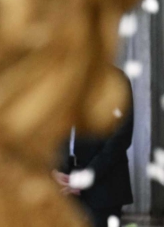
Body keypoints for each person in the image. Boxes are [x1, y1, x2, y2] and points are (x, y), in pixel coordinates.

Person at [54, 68, 134, 227]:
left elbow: (120, 138)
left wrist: (88, 175)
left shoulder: (115, 79)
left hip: (104, 187)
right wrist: (52, 170)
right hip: (61, 184)